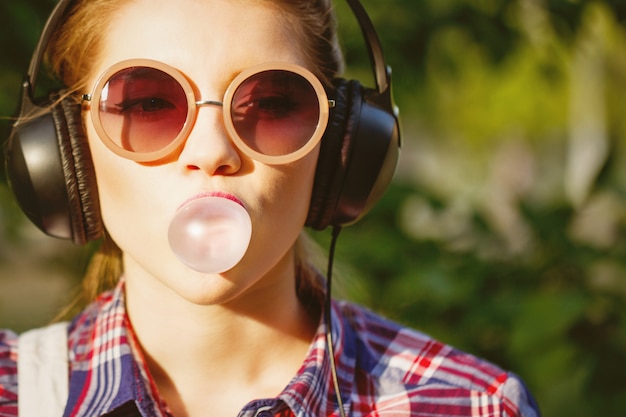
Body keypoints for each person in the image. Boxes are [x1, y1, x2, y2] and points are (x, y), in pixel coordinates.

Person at [0, 0, 541, 416]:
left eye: (272, 104)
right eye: (149, 103)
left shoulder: (473, 405)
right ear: (65, 146)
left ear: (341, 148)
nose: (212, 152)